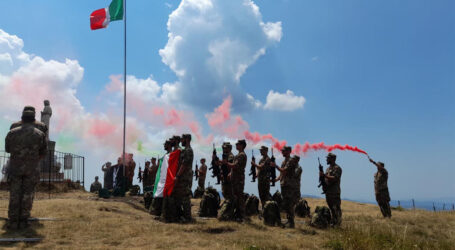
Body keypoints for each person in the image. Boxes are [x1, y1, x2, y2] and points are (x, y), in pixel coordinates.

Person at [5, 107, 47, 229]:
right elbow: (43, 152)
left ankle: (13, 221)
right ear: (34, 119)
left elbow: (8, 149)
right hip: (31, 168)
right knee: (27, 194)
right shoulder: (39, 134)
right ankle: (24, 221)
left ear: (22, 118)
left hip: (15, 168)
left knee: (14, 194)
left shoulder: (12, 132)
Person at [273, 146, 299, 228]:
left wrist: (275, 166)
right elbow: (282, 174)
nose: (282, 152)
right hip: (284, 185)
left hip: (289, 186)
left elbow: (284, 170)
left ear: (288, 151)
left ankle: (291, 223)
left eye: (284, 151)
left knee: (289, 204)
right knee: (287, 204)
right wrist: (275, 180)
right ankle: (289, 221)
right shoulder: (284, 161)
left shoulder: (291, 161)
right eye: (282, 151)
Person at [225, 139, 248, 222]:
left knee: (239, 197)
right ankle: (237, 215)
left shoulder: (241, 155)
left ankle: (241, 216)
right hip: (236, 178)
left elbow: (235, 165)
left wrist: (226, 163)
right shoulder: (238, 155)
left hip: (239, 179)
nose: (236, 145)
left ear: (242, 145)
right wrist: (230, 173)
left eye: (238, 144)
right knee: (236, 196)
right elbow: (235, 167)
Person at [173, 134, 194, 223]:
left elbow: (184, 164)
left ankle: (187, 218)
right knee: (180, 197)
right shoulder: (185, 150)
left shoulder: (188, 150)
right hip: (182, 177)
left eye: (182, 139)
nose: (181, 141)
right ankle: (181, 216)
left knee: (185, 198)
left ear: (187, 139)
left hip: (185, 177)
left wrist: (177, 176)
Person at [320, 152, 342, 226]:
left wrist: (325, 175)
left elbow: (335, 178)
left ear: (333, 159)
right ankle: (333, 222)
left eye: (328, 158)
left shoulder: (337, 168)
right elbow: (326, 179)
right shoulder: (327, 169)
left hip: (334, 192)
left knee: (336, 209)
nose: (327, 159)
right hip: (328, 192)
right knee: (331, 209)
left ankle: (337, 224)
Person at [252, 146, 272, 210]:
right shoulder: (261, 159)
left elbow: (261, 167)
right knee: (261, 196)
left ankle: (267, 211)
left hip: (265, 181)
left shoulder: (267, 159)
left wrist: (254, 164)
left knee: (265, 196)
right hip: (260, 180)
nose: (260, 151)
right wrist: (256, 175)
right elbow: (258, 169)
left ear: (266, 151)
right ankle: (264, 211)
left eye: (262, 150)